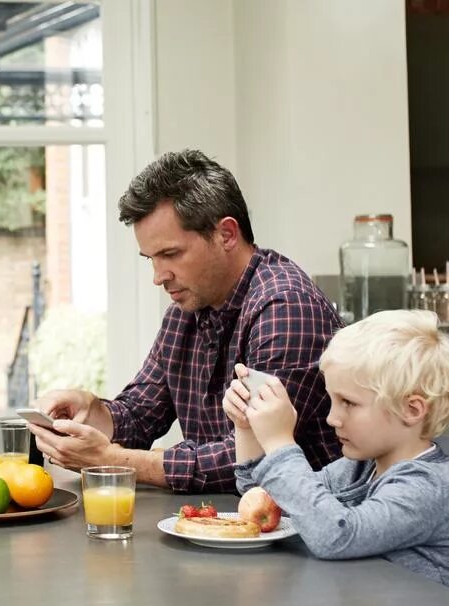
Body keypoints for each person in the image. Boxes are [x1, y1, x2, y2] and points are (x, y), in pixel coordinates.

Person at [32, 149, 342, 493]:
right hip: (221, 524)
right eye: (150, 258)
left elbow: (252, 458)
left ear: (225, 234)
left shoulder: (286, 307)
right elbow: (138, 415)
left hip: (299, 531)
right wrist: (89, 409)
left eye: (170, 254)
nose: (158, 276)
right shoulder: (186, 310)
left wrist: (113, 460)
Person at [225, 310, 449, 595]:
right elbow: (270, 500)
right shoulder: (360, 468)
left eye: (349, 403)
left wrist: (281, 443)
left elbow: (336, 535)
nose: (332, 418)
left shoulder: (426, 488)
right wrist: (247, 428)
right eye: (332, 399)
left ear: (411, 410)